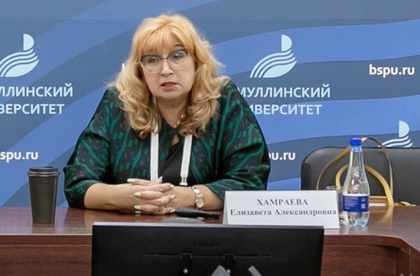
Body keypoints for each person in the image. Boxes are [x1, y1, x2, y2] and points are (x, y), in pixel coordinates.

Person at [64, 13, 270, 213]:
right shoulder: (119, 103)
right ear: (140, 70)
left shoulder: (223, 99)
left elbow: (250, 182)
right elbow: (77, 183)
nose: (165, 70)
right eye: (152, 60)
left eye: (177, 56)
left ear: (197, 62)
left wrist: (189, 197)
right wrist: (128, 197)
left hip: (206, 233)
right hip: (130, 231)